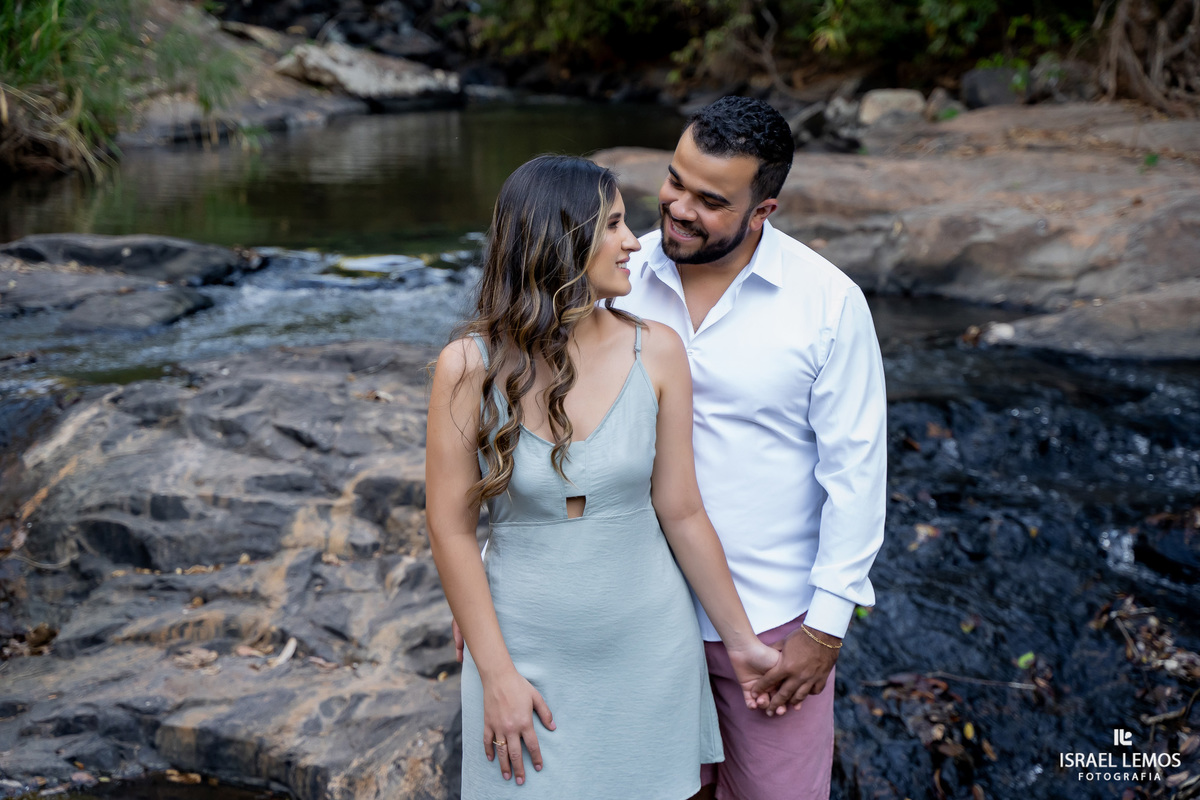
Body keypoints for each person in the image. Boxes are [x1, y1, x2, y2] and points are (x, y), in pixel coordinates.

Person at [425, 154, 781, 799]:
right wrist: (496, 673)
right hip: (523, 652)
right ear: (559, 241)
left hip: (649, 649)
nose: (634, 242)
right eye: (613, 225)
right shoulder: (467, 367)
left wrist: (742, 643)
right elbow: (450, 530)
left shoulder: (659, 350)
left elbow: (681, 511)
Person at [614, 96, 888, 800]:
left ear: (763, 210)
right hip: (634, 613)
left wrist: (824, 631)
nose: (678, 209)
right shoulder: (616, 277)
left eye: (711, 201)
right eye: (675, 181)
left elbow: (856, 477)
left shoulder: (828, 304)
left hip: (771, 628)